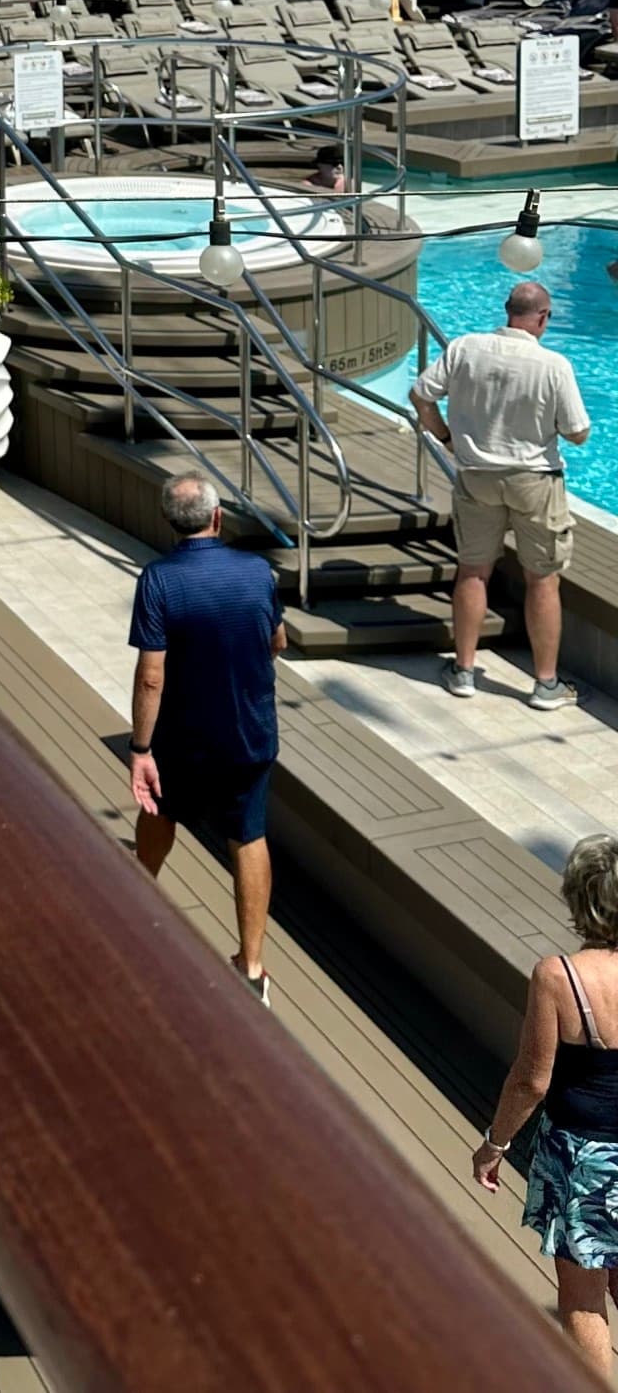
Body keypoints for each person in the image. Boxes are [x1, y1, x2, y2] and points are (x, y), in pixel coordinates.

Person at [127, 473, 284, 1005]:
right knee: (248, 835)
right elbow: (277, 640)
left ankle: (136, 898)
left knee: (159, 812)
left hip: (182, 737)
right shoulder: (258, 572)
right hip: (249, 734)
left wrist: (140, 750)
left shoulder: (158, 580)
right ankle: (253, 966)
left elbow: (151, 674)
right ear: (219, 518)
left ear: (170, 523)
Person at [474, 834, 618, 1373]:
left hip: (583, 1159)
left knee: (583, 1296)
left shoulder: (559, 977)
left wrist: (495, 1145)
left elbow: (532, 1081)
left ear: (580, 897)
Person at [411, 280, 589, 708]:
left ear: (507, 310)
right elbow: (578, 432)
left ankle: (464, 671)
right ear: (543, 318)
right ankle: (545, 684)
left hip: (476, 475)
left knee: (473, 571)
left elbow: (420, 396)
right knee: (542, 578)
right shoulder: (553, 365)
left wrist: (448, 439)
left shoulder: (465, 348)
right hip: (534, 482)